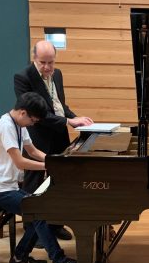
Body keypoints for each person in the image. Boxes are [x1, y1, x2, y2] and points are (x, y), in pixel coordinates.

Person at [0, 92, 77, 263]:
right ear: (23, 113)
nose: (34, 124)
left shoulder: (18, 124)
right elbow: (20, 162)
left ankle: (20, 258)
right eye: (33, 120)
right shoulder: (5, 126)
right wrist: (47, 166)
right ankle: (59, 262)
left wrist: (53, 162)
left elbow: (32, 151)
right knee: (38, 211)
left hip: (7, 186)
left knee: (35, 213)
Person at [14, 40, 93, 241]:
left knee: (58, 181)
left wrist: (77, 120)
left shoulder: (57, 74)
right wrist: (68, 120)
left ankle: (55, 225)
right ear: (34, 59)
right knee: (34, 183)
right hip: (38, 137)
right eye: (43, 62)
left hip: (58, 134)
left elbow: (59, 106)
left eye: (51, 62)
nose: (48, 67)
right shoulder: (23, 77)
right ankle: (34, 233)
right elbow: (36, 113)